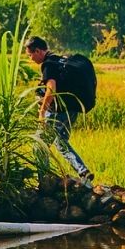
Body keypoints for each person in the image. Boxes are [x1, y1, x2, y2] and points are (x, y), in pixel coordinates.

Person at [24, 35, 94, 183]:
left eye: (30, 55)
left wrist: (42, 111)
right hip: (73, 108)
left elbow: (51, 89)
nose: (31, 59)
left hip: (60, 110)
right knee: (60, 142)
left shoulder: (48, 64)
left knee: (39, 145)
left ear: (38, 51)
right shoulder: (60, 59)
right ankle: (83, 171)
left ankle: (45, 181)